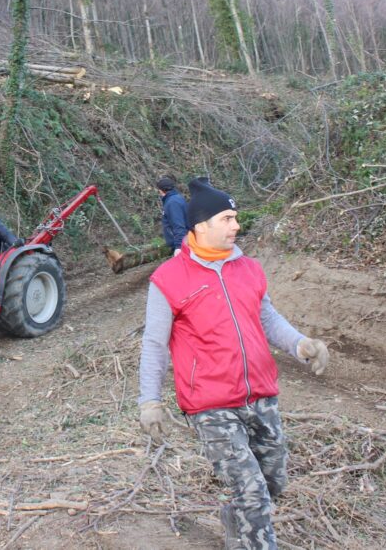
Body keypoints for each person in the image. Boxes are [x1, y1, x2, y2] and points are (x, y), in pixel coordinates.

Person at [137, 177, 330, 550]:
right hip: (210, 403)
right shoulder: (168, 279)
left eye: (236, 217)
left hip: (260, 394)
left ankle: (236, 521)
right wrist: (150, 401)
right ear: (201, 225)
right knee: (252, 491)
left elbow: (269, 319)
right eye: (227, 218)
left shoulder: (249, 268)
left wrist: (301, 343)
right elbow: (155, 343)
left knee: (273, 482)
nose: (236, 226)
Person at [157, 175, 189, 257]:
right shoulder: (176, 198)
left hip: (182, 246)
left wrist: (179, 247)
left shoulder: (172, 203)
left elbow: (178, 225)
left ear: (161, 191)